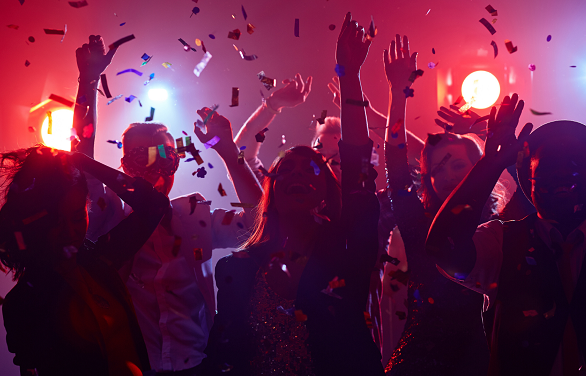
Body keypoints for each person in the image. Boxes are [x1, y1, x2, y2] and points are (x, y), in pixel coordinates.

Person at [204, 13, 384, 375]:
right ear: (270, 190)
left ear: (325, 192)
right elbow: (222, 358)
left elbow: (357, 162)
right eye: (286, 169)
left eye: (311, 168)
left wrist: (350, 75)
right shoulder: (236, 269)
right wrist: (233, 140)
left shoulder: (350, 250)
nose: (297, 174)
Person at [72, 35, 263, 375]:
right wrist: (88, 80)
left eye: (168, 155)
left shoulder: (193, 217)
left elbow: (257, 223)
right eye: (144, 156)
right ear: (125, 165)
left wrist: (227, 149)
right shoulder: (110, 216)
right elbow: (80, 160)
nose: (159, 167)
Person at [426, 93, 586, 375]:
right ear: (527, 184)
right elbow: (443, 248)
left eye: (574, 167)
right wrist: (491, 163)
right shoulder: (500, 243)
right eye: (547, 170)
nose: (561, 179)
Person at [382, 35, 509, 375]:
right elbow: (394, 163)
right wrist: (398, 92)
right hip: (421, 363)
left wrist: (480, 138)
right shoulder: (417, 224)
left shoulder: (500, 227)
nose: (450, 175)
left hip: (485, 363)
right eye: (438, 169)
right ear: (429, 182)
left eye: (458, 164)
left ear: (476, 167)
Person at [0, 146, 169, 376]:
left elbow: (155, 205)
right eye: (56, 220)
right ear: (38, 221)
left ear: (87, 207)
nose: (69, 231)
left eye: (77, 217)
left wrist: (85, 163)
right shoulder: (23, 301)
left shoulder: (102, 259)